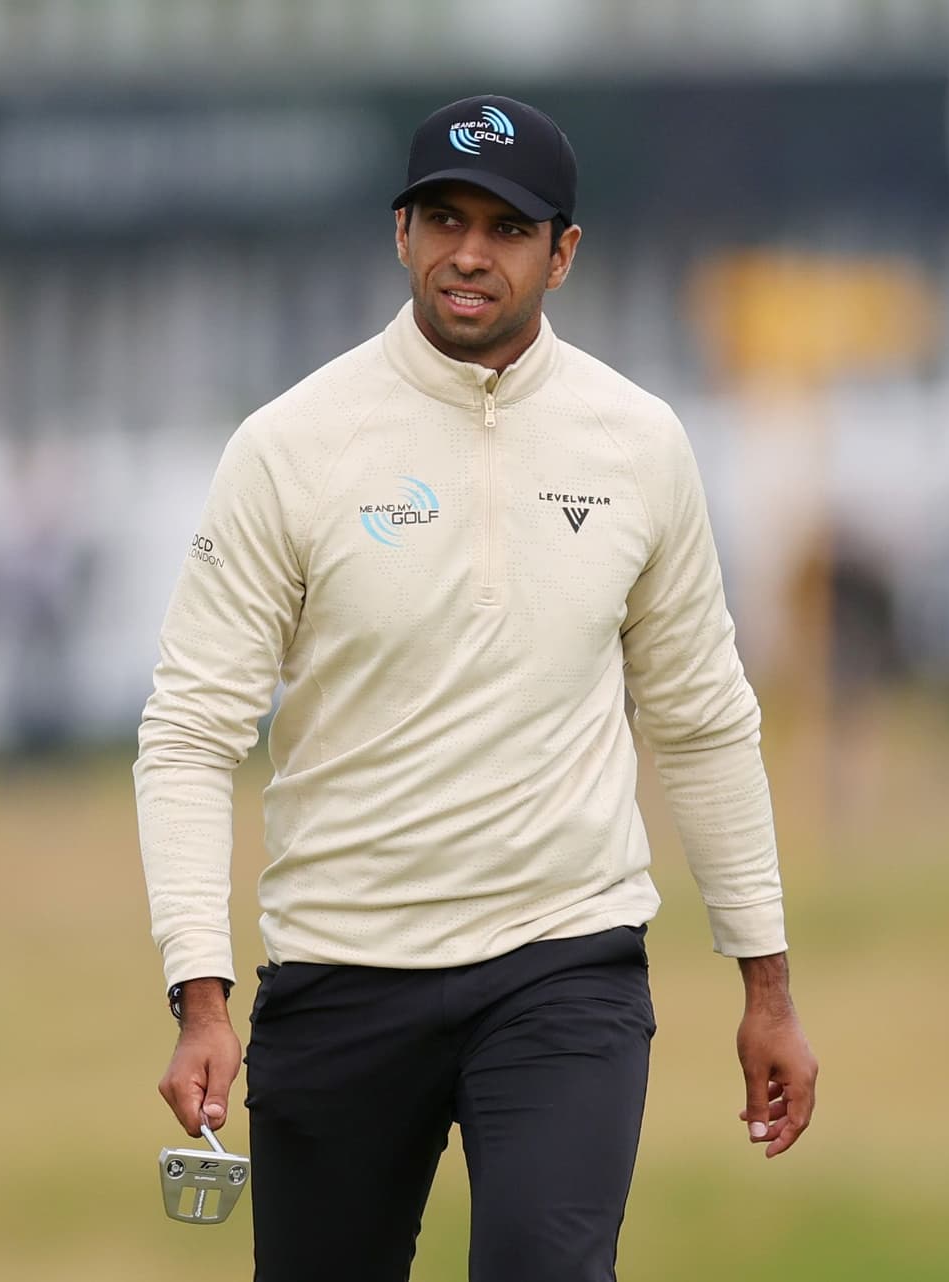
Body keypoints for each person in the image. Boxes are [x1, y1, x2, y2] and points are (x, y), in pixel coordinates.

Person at [135, 95, 817, 1282]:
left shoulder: (637, 443)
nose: (469, 251)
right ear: (400, 233)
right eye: (444, 217)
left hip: (562, 961)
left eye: (508, 228)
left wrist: (766, 982)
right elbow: (192, 732)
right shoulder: (292, 446)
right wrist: (202, 991)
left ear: (564, 254)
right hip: (342, 967)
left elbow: (703, 720)